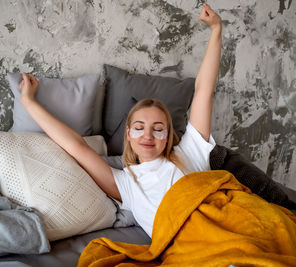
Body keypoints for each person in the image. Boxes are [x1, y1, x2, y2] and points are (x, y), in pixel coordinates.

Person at [19, 3, 222, 238]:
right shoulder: (127, 183)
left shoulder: (190, 153)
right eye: (139, 127)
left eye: (158, 129)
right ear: (128, 134)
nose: (147, 136)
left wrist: (216, 29)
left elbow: (203, 90)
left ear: (168, 136)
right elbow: (76, 147)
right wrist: (29, 103)